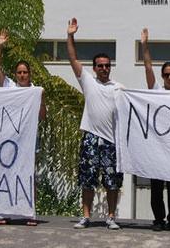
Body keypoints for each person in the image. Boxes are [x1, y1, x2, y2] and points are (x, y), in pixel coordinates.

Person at [67, 18, 124, 230]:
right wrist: (70, 35)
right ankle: (86, 217)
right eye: (100, 66)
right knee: (87, 180)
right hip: (91, 137)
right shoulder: (87, 81)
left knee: (112, 182)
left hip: (111, 142)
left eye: (107, 66)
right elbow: (72, 58)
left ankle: (111, 217)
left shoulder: (119, 88)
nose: (104, 69)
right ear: (94, 68)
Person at [0, 28, 46, 226]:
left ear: (29, 74)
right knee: (5, 175)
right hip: (8, 140)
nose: (22, 75)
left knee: (29, 176)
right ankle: (4, 212)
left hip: (29, 141)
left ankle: (29, 212)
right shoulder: (9, 87)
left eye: (25, 72)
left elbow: (42, 117)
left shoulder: (35, 91)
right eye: (19, 72)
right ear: (15, 75)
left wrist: (42, 100)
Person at [140, 27, 170, 232]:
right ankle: (159, 220)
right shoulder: (156, 90)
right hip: (156, 147)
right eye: (166, 75)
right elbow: (148, 67)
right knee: (156, 187)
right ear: (162, 76)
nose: (169, 78)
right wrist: (144, 46)